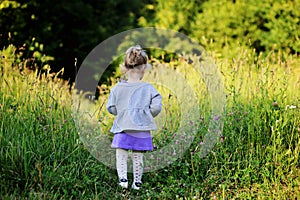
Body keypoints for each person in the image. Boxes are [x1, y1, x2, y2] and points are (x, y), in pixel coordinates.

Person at [106, 45, 162, 190]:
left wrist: (121, 112)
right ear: (144, 69)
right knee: (138, 157)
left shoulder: (118, 88)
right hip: (141, 128)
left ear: (124, 68)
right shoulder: (148, 88)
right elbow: (156, 107)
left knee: (121, 155)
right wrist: (147, 115)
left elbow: (111, 108)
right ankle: (137, 183)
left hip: (123, 127)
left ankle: (123, 180)